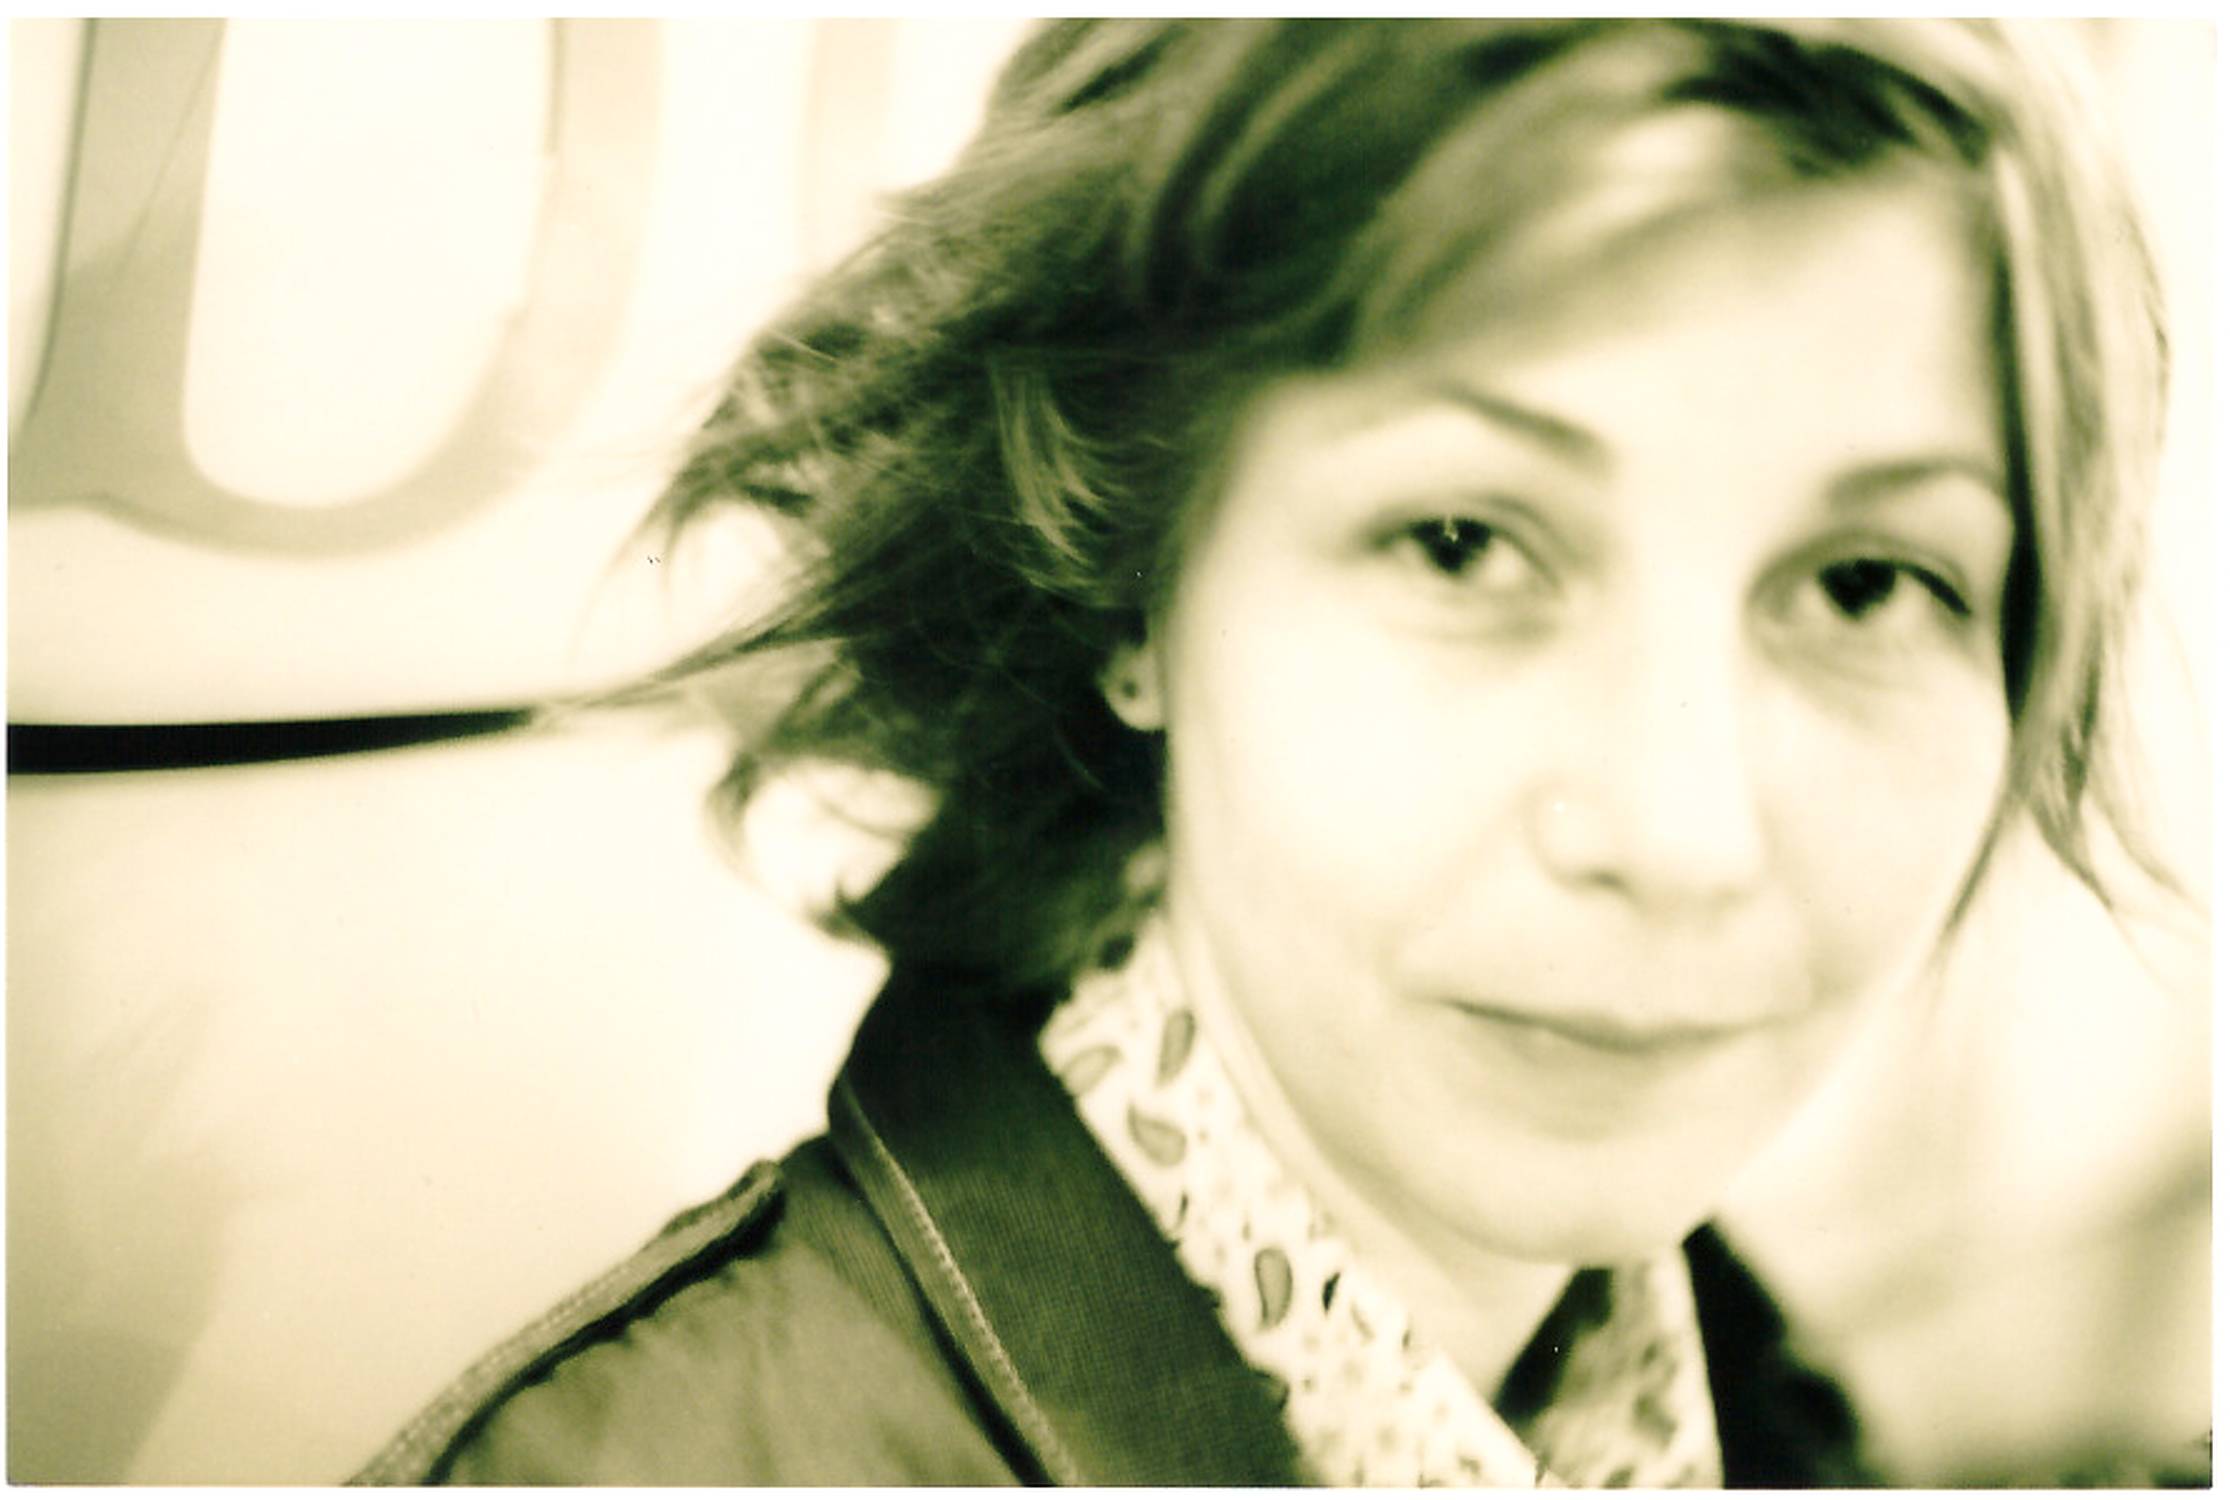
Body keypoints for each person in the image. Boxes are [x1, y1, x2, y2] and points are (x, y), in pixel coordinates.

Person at [356, 19, 2177, 1486]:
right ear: (1131, 591)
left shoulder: (1740, 1410)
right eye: (1461, 545)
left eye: (1865, 585)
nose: (1682, 828)